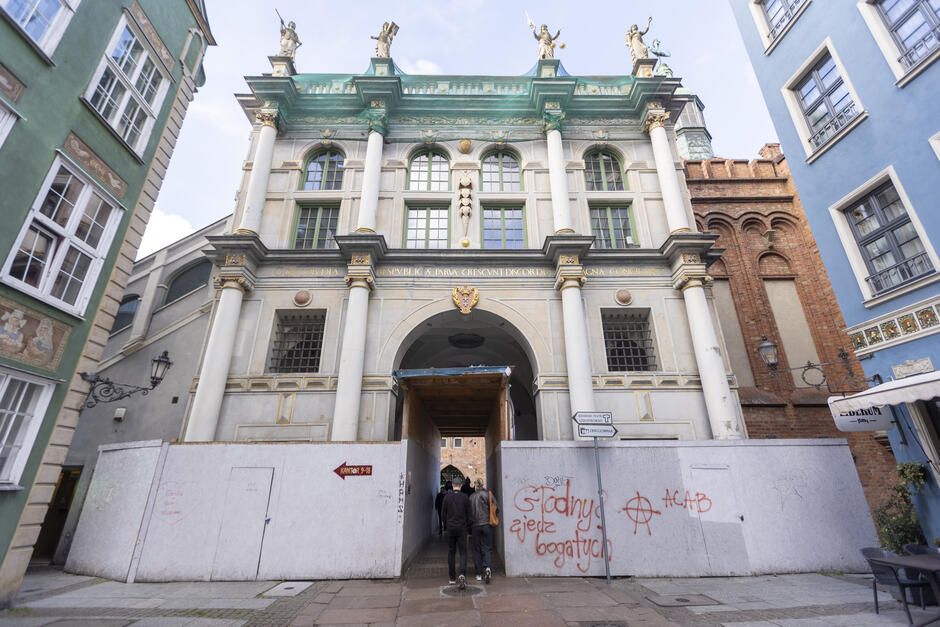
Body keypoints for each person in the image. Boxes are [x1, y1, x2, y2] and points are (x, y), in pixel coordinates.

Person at [441, 479, 471, 588]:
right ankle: (462, 573)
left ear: (453, 485)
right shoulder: (465, 497)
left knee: (451, 552)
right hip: (462, 528)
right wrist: (467, 526)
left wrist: (446, 525)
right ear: (461, 485)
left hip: (451, 528)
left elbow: (443, 513)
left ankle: (452, 578)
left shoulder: (447, 497)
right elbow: (469, 514)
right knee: (463, 552)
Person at [469, 478, 499, 584]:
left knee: (476, 550)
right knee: (487, 548)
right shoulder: (488, 494)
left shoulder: (471, 497)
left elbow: (469, 513)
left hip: (475, 526)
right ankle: (487, 568)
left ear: (475, 486)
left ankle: (478, 574)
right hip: (486, 525)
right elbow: (496, 507)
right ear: (483, 485)